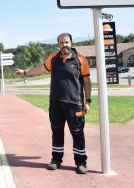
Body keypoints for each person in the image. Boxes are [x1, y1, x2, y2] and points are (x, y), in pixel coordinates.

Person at [15, 33, 92, 174]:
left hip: (75, 104)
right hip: (55, 103)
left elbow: (86, 81)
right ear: (58, 44)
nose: (64, 45)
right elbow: (40, 68)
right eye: (62, 43)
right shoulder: (54, 58)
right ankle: (56, 160)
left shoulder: (80, 59)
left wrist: (88, 101)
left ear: (71, 43)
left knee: (78, 133)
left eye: (67, 42)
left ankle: (81, 162)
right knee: (57, 132)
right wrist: (25, 72)